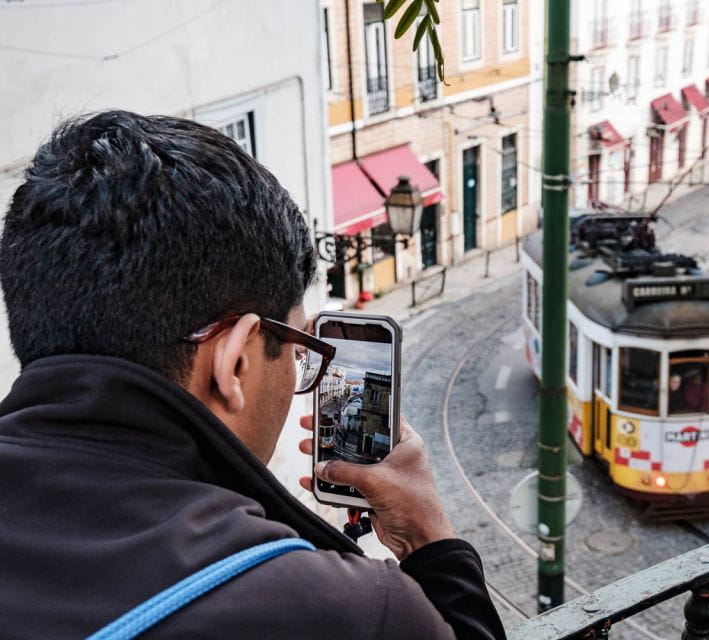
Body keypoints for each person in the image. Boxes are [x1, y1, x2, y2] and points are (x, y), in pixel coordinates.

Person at [0, 111, 505, 638]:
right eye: (298, 350)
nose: (295, 373)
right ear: (235, 360)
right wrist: (430, 540)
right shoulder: (339, 609)